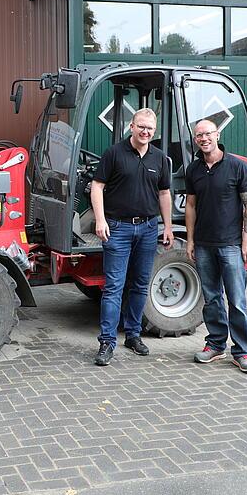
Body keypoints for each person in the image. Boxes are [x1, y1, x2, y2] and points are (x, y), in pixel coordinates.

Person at [90, 108, 174, 366]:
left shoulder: (160, 159)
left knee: (139, 285)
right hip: (118, 228)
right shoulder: (114, 153)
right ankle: (107, 342)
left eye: (150, 128)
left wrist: (167, 226)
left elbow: (164, 194)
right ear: (131, 126)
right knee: (114, 287)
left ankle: (134, 335)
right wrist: (101, 220)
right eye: (141, 126)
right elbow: (97, 186)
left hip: (148, 229)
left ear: (154, 130)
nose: (145, 131)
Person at [184, 119, 247, 374]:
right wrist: (191, 240)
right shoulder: (193, 170)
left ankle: (243, 351)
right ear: (195, 140)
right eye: (198, 136)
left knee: (237, 300)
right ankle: (215, 344)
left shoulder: (238, 167)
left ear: (217, 134)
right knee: (212, 298)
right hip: (204, 245)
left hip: (231, 245)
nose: (203, 139)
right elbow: (191, 206)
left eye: (207, 134)